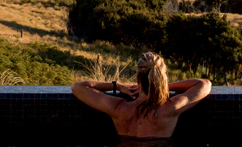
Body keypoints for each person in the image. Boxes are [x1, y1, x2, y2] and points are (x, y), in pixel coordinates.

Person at [71, 51, 212, 139]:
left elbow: (78, 87)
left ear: (138, 79)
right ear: (161, 78)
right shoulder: (170, 109)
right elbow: (204, 84)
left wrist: (117, 85)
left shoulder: (118, 109)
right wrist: (162, 85)